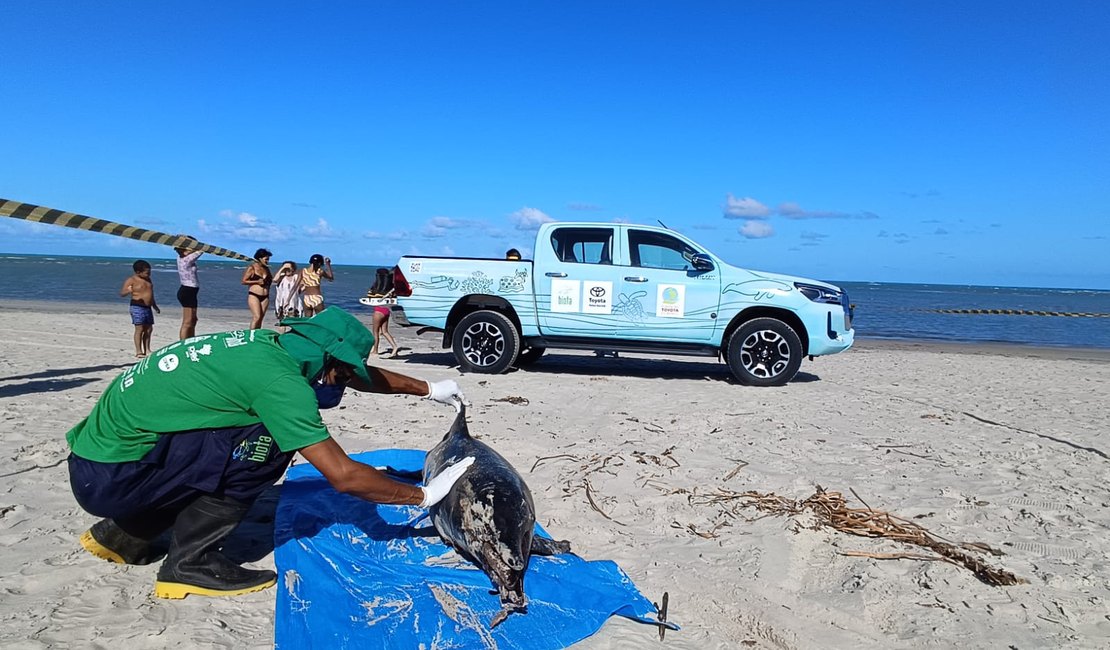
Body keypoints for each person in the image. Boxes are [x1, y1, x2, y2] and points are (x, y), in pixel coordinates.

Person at [67, 307, 473, 600]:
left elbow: (358, 375)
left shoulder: (269, 344)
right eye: (345, 371)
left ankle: (123, 534)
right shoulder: (281, 384)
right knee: (266, 446)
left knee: (232, 434)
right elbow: (343, 475)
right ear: (328, 360)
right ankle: (190, 564)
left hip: (99, 459)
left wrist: (426, 388)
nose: (348, 380)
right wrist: (423, 496)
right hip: (116, 478)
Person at [120, 260, 160, 358]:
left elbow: (151, 294)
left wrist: (155, 306)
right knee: (140, 328)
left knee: (149, 329)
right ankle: (139, 351)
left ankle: (147, 349)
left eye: (149, 272)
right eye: (147, 273)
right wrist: (128, 291)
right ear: (138, 272)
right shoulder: (132, 280)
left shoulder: (148, 280)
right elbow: (122, 293)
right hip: (137, 306)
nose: (149, 274)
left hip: (148, 307)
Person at [175, 238, 203, 340]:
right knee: (187, 321)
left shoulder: (182, 257)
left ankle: (191, 339)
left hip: (191, 291)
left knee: (193, 319)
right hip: (187, 291)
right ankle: (183, 343)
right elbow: (201, 250)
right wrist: (194, 246)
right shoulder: (186, 259)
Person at [241, 249, 273, 329]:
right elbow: (244, 281)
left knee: (261, 317)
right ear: (260, 258)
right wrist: (256, 281)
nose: (267, 261)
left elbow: (270, 280)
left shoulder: (266, 268)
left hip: (265, 296)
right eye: (266, 259)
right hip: (254, 295)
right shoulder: (252, 268)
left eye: (268, 259)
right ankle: (251, 335)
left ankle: (257, 334)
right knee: (257, 317)